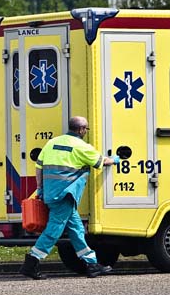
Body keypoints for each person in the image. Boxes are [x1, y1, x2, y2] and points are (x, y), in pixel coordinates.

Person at [20, 116, 117, 280]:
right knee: (53, 231)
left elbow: (39, 167)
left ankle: (92, 264)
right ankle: (31, 262)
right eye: (86, 129)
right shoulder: (81, 146)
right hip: (65, 195)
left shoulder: (52, 143)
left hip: (52, 193)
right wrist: (115, 159)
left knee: (76, 230)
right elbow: (102, 161)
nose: (86, 132)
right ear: (81, 130)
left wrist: (40, 189)